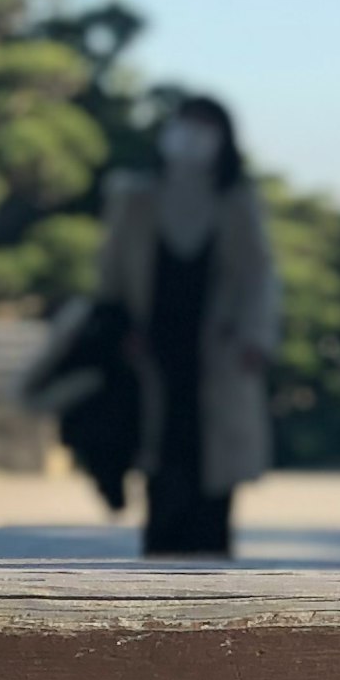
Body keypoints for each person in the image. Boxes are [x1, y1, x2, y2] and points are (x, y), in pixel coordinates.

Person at [93, 96, 277, 556]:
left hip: (219, 353)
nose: (192, 137)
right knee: (159, 462)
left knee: (216, 471)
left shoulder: (237, 201)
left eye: (205, 128)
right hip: (151, 350)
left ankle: (211, 574)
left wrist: (255, 339)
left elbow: (259, 277)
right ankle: (160, 568)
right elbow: (111, 275)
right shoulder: (134, 196)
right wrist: (117, 331)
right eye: (185, 125)